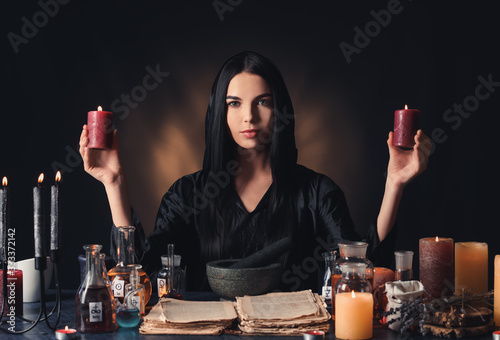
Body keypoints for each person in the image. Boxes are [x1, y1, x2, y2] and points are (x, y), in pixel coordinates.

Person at [79, 51, 430, 291]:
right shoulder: (187, 194)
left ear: (280, 111)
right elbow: (140, 273)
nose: (249, 116)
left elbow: (365, 274)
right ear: (220, 112)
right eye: (235, 104)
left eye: (263, 102)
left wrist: (394, 183)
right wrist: (114, 183)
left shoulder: (316, 192)